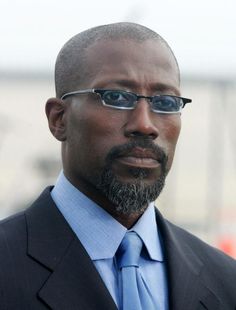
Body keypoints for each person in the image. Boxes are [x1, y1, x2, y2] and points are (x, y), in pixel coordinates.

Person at [0, 22, 235, 310]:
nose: (145, 125)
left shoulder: (225, 281)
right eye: (116, 97)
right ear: (59, 119)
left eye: (166, 101)